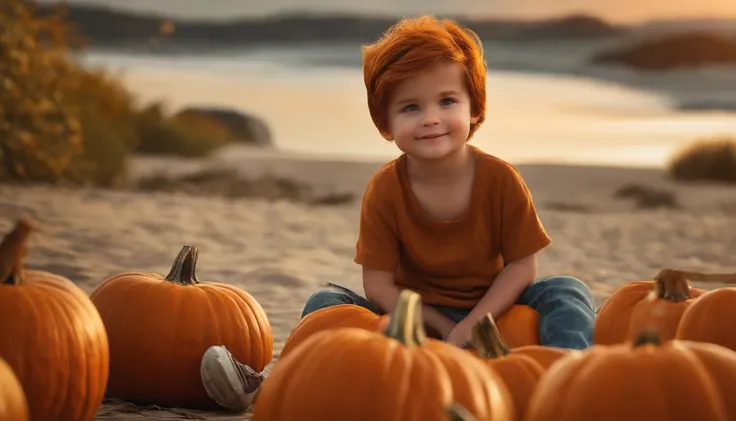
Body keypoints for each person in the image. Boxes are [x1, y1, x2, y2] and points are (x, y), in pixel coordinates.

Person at [201, 15, 596, 408]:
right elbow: (379, 284)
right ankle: (270, 386)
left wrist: (470, 325)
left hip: (495, 307)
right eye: (410, 107)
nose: (430, 118)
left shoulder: (501, 179)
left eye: (447, 100)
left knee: (567, 292)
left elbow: (522, 268)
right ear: (385, 123)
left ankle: (570, 387)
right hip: (409, 314)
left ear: (475, 108)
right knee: (324, 303)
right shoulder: (385, 189)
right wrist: (438, 327)